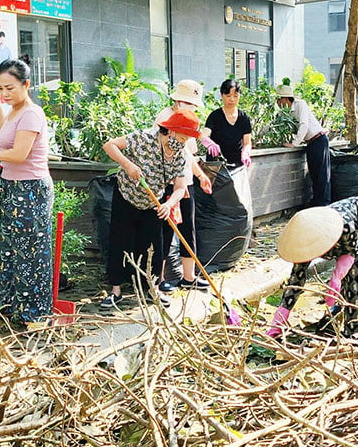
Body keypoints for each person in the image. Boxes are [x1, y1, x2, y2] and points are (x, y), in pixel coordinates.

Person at [0, 59, 52, 325]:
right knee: (10, 250)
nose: (4, 93)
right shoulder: (13, 110)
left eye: (10, 88)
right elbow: (5, 134)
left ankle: (35, 315)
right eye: (0, 87)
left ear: (26, 85)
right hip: (11, 185)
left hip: (31, 190)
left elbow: (19, 153)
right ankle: (10, 309)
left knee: (31, 252)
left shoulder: (31, 113)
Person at [100, 110, 203, 307]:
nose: (182, 142)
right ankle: (115, 291)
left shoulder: (180, 155)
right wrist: (128, 165)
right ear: (170, 131)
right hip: (126, 196)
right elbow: (109, 145)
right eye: (181, 137)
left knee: (154, 249)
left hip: (153, 202)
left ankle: (153, 290)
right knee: (120, 242)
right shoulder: (143, 138)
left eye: (186, 139)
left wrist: (169, 203)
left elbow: (181, 188)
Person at [266, 196, 358, 337]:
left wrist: (336, 278)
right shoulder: (304, 241)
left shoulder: (344, 226)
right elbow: (296, 278)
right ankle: (342, 311)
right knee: (351, 276)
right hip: (352, 232)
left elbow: (351, 252)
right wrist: (282, 312)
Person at [152, 80, 214, 293]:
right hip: (169, 184)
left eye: (195, 105)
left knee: (188, 227)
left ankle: (189, 277)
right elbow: (163, 154)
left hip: (185, 182)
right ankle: (158, 279)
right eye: (190, 104)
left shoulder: (188, 120)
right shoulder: (165, 120)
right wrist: (174, 185)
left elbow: (189, 154)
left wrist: (199, 175)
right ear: (178, 101)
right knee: (165, 232)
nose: (194, 108)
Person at [276, 80, 331, 207]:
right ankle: (317, 202)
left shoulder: (300, 105)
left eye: (279, 100)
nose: (277, 103)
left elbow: (304, 125)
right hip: (310, 143)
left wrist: (294, 143)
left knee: (321, 174)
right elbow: (273, 124)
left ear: (285, 99)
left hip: (319, 140)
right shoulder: (284, 112)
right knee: (314, 173)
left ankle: (323, 204)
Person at [203, 79, 253, 168]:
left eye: (235, 96)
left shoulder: (244, 118)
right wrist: (210, 143)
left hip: (237, 163)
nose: (232, 99)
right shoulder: (214, 116)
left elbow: (247, 142)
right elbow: (203, 136)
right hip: (216, 164)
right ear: (222, 95)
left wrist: (245, 153)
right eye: (228, 95)